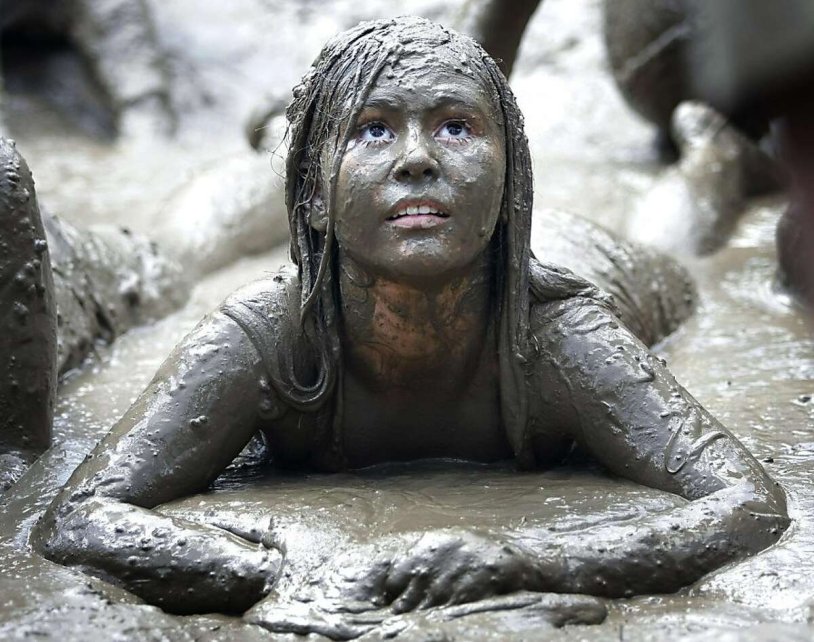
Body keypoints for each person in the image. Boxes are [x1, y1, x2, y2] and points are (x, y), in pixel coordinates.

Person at [32, 16, 789, 622]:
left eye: (457, 127)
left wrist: (531, 562)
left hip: (594, 262)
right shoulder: (268, 334)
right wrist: (273, 569)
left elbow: (747, 502)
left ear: (509, 178)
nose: (419, 158)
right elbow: (80, 514)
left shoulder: (560, 336)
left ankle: (713, 160)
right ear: (315, 200)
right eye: (373, 130)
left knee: (677, 254)